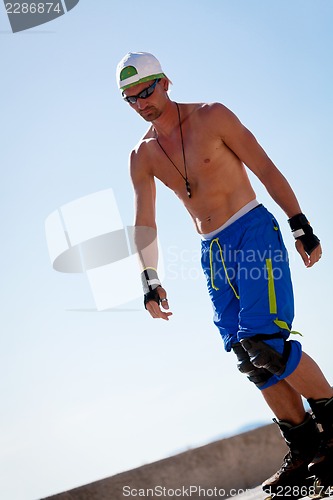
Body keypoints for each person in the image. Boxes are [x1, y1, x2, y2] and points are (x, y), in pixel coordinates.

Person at [116, 52, 333, 495]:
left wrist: (299, 222)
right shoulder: (142, 156)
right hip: (212, 253)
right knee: (248, 357)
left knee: (265, 341)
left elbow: (265, 167)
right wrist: (149, 279)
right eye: (130, 98)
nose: (142, 103)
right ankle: (307, 447)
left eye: (146, 91)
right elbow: (145, 223)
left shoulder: (212, 116)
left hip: (251, 229)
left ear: (166, 82)